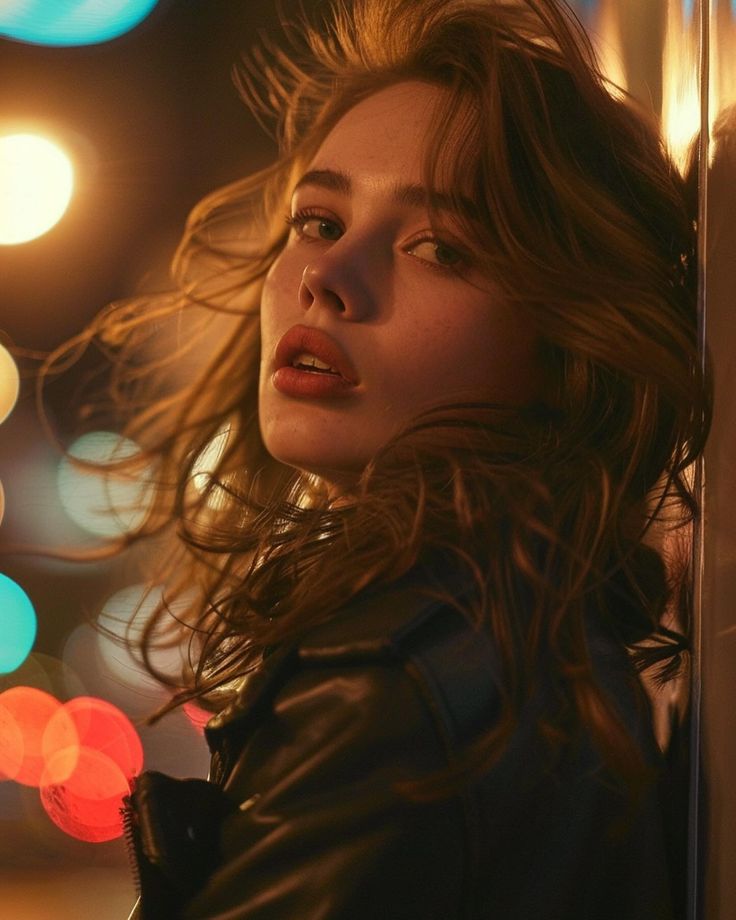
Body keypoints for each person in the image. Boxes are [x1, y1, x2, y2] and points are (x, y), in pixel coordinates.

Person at [51, 0, 710, 917]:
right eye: (319, 220)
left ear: (567, 348)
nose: (326, 274)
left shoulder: (397, 680)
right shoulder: (523, 642)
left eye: (439, 246)